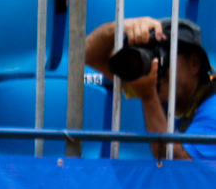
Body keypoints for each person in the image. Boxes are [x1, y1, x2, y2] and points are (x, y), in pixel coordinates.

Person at [84, 15, 215, 161]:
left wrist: (149, 96)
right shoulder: (154, 83)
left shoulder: (212, 108)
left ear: (194, 64)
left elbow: (181, 169)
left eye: (165, 56)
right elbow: (87, 55)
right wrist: (119, 27)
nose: (157, 65)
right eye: (154, 56)